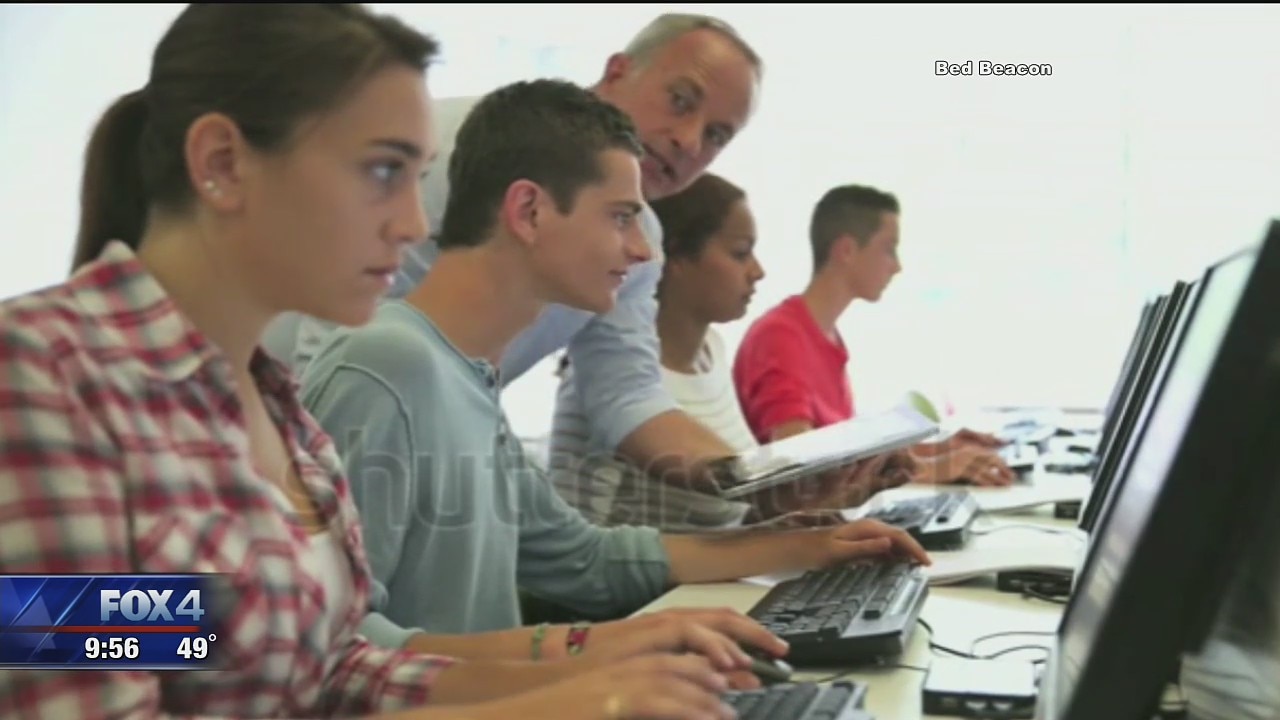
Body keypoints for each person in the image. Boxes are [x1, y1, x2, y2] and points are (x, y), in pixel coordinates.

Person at [0, 6, 767, 719]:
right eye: (381, 172)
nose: (411, 223)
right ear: (225, 163)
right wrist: (554, 700)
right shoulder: (50, 378)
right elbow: (101, 685)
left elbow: (328, 667)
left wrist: (599, 667)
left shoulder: (276, 408)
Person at [299, 78, 932, 647]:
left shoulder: (468, 376)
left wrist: (803, 545)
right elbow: (337, 644)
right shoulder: (385, 367)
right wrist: (589, 655)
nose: (641, 250)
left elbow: (585, 559)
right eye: (622, 217)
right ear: (529, 211)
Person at [266, 12, 813, 502]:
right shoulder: (445, 149)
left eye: (717, 135)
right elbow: (331, 330)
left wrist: (759, 483)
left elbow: (627, 393)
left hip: (406, 465)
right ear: (618, 71)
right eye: (681, 100)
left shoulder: (639, 242)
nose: (690, 141)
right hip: (276, 431)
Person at [551, 173, 911, 531]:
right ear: (673, 257)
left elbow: (734, 523)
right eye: (740, 253)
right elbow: (574, 548)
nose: (758, 271)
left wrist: (828, 502)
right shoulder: (600, 381)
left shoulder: (712, 352)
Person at [733, 184, 1016, 487]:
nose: (897, 266)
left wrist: (938, 450)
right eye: (889, 248)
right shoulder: (780, 338)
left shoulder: (823, 334)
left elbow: (843, 453)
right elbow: (799, 463)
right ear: (846, 250)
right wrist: (929, 470)